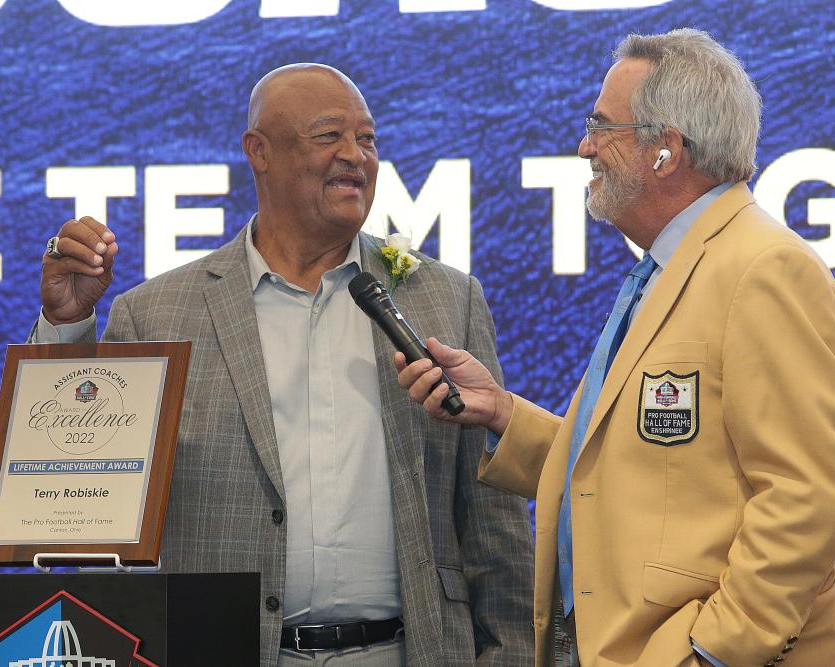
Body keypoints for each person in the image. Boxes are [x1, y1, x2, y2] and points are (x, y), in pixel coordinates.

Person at [31, 63, 534, 666]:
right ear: (259, 152)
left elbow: (492, 516)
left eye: (368, 139)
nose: (356, 156)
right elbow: (75, 491)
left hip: (409, 652)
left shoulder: (445, 298)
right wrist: (65, 328)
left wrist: (511, 654)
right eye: (329, 136)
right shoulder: (157, 314)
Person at [396, 29, 835, 667]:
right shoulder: (665, 269)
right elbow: (639, 476)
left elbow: (805, 498)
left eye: (601, 126)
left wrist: (711, 652)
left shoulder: (765, 270)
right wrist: (501, 414)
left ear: (666, 150)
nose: (585, 145)